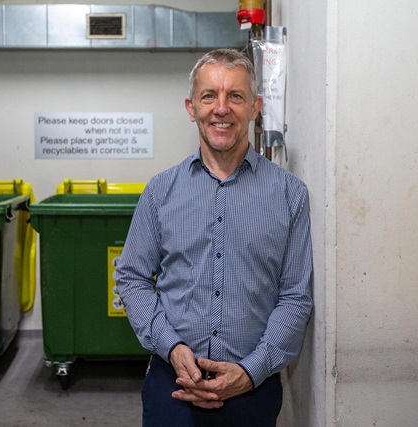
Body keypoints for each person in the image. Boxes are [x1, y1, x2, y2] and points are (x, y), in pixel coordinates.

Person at [114, 48, 313, 426]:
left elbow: (295, 298)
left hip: (252, 391)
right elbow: (132, 278)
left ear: (254, 107)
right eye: (210, 96)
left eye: (235, 96)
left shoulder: (290, 195)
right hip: (171, 387)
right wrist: (172, 349)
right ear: (192, 108)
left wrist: (251, 371)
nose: (221, 108)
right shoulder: (160, 191)